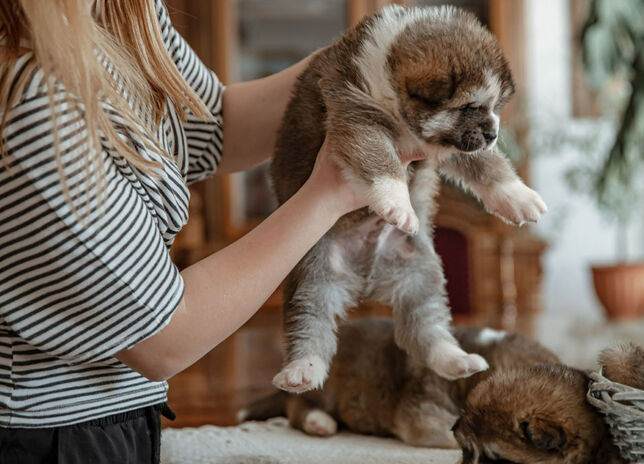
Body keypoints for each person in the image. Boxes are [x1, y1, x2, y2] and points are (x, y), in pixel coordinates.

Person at [0, 1, 420, 462]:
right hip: (48, 435)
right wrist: (329, 194)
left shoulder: (120, 14)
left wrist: (364, 55)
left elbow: (215, 126)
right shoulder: (27, 97)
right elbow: (163, 336)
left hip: (120, 412)